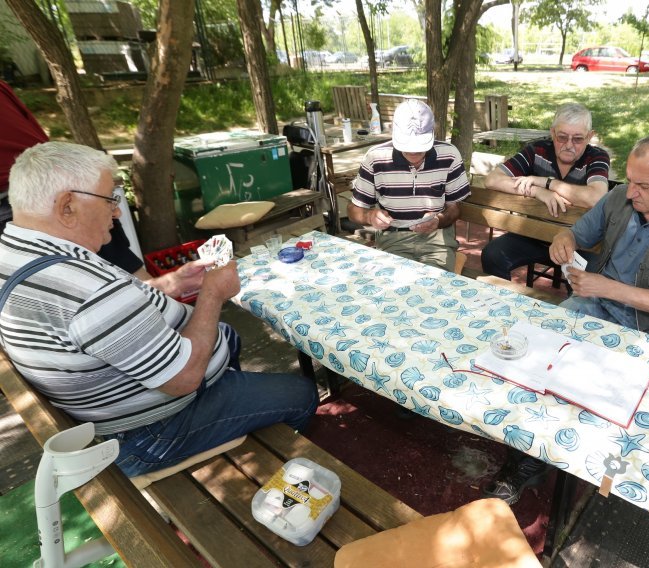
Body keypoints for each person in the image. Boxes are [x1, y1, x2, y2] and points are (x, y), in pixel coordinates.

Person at [0, 141, 319, 477]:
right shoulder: (88, 291)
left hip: (114, 409)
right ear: (67, 206)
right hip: (150, 432)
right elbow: (184, 378)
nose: (117, 212)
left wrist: (173, 283)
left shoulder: (16, 251)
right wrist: (212, 293)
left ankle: (236, 405)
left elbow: (102, 318)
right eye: (110, 199)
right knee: (301, 393)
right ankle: (287, 471)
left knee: (228, 337)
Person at [483, 133, 649, 504]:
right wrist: (563, 240)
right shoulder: (619, 197)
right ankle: (526, 457)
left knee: (619, 406)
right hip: (598, 308)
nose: (631, 193)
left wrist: (606, 287)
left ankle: (597, 469)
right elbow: (575, 234)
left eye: (645, 185)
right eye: (630, 180)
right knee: (534, 359)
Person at [0, 79, 146, 277]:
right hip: (33, 190)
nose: (118, 212)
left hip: (38, 185)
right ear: (67, 208)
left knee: (124, 273)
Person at [480, 102, 610, 280]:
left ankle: (569, 309)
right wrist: (537, 192)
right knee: (492, 255)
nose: (569, 145)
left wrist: (546, 182)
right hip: (534, 234)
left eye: (578, 139)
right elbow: (492, 179)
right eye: (562, 137)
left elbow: (595, 197)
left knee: (590, 279)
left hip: (579, 243)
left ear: (589, 137)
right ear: (552, 132)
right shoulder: (537, 150)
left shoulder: (597, 157)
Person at [347, 99, 471, 271]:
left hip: (437, 239)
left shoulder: (449, 155)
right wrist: (369, 217)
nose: (413, 151)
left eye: (420, 145)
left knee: (435, 286)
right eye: (407, 144)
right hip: (393, 239)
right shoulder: (375, 158)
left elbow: (455, 208)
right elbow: (353, 210)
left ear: (432, 133)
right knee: (392, 287)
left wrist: (439, 220)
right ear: (394, 133)